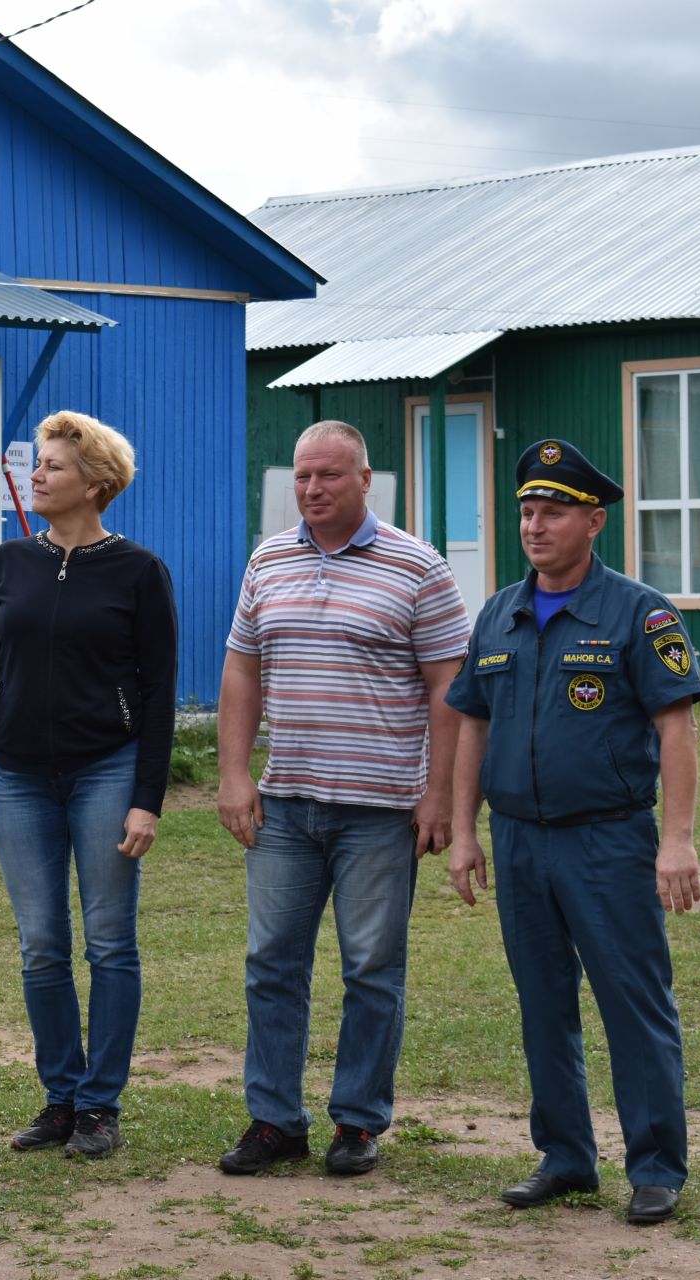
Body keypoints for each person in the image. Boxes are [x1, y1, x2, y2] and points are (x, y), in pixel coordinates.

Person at [445, 438, 700, 1227]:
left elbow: (677, 729)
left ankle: (656, 1165)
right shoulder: (499, 611)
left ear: (593, 521)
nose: (535, 525)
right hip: (521, 841)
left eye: (552, 511)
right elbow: (471, 729)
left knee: (633, 1001)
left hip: (609, 842)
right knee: (543, 1004)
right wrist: (464, 832)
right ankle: (564, 1158)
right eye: (526, 510)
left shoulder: (639, 612)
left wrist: (678, 840)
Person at [215, 420, 468, 1179]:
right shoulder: (269, 560)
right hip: (285, 804)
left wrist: (439, 795)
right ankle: (273, 1120)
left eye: (329, 476)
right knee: (271, 964)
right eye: (302, 476)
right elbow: (241, 670)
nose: (313, 489)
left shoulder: (417, 568)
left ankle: (357, 1122)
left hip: (380, 810)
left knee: (371, 968)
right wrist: (234, 772)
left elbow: (448, 689)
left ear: (365, 479)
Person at [0, 410, 178, 1160]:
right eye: (38, 464)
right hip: (17, 777)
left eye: (52, 465)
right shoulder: (7, 563)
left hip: (107, 772)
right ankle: (59, 1099)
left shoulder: (139, 571)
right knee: (42, 945)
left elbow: (159, 692)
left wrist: (147, 798)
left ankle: (99, 1106)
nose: (36, 475)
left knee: (110, 943)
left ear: (95, 482)